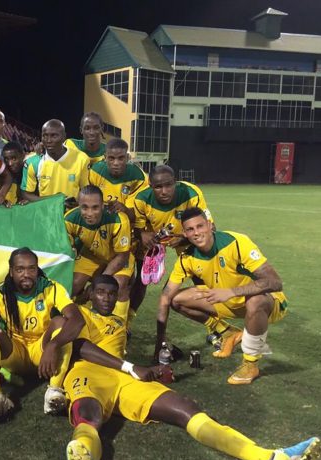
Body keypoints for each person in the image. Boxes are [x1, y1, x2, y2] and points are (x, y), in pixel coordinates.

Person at [63, 275, 318, 460]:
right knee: (89, 415)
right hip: (88, 373)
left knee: (186, 408)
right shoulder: (78, 313)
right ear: (89, 294)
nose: (106, 298)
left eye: (111, 293)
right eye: (100, 292)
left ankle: (266, 458)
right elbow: (78, 346)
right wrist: (131, 367)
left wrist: (152, 369)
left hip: (125, 378)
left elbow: (132, 284)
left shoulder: (120, 315)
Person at [156, 207, 288, 384]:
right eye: (190, 229)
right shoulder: (186, 258)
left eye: (200, 226)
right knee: (177, 300)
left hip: (267, 303)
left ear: (210, 226)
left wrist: (231, 292)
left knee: (255, 301)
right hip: (226, 302)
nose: (196, 233)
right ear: (185, 234)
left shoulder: (236, 242)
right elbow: (165, 298)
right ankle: (227, 333)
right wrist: (159, 346)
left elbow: (274, 282)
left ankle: (251, 364)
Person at [0, 248, 85, 421]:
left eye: (31, 269)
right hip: (14, 354)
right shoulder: (0, 293)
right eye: (20, 269)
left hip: (43, 354)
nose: (26, 274)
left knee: (63, 324)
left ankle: (54, 391)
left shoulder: (51, 288)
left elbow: (77, 320)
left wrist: (53, 345)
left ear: (37, 269)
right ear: (11, 272)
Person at [131, 165, 229, 340]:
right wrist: (143, 234)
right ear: (150, 186)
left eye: (169, 185)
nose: (164, 191)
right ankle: (127, 323)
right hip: (154, 239)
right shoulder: (141, 199)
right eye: (158, 187)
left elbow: (210, 228)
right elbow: (137, 228)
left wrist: (185, 239)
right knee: (141, 279)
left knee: (201, 280)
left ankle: (217, 327)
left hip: (186, 237)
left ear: (175, 182)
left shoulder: (191, 193)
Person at [64, 186, 132, 318]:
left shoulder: (119, 219)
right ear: (78, 205)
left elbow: (123, 255)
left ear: (102, 205)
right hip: (90, 255)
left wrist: (99, 282)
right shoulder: (69, 219)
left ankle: (120, 326)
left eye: (95, 207)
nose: (89, 213)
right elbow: (66, 250)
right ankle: (70, 321)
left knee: (118, 284)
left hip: (118, 257)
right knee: (71, 284)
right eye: (84, 207)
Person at [21, 119, 90, 207]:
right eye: (45, 136)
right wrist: (57, 202)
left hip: (71, 215)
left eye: (54, 136)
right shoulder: (32, 162)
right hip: (46, 214)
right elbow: (26, 194)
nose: (48, 140)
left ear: (64, 136)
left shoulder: (81, 159)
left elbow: (86, 191)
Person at [87, 137, 148, 221]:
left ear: (127, 157)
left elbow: (137, 216)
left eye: (121, 158)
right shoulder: (95, 171)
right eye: (111, 158)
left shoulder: (139, 178)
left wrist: (125, 210)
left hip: (125, 224)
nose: (116, 163)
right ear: (105, 157)